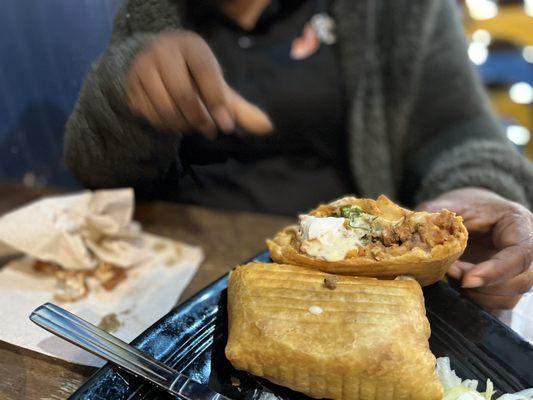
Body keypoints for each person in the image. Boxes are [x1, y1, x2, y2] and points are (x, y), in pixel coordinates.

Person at [64, 0, 533, 310]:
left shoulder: (397, 9)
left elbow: (459, 129)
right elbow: (96, 174)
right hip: (179, 280)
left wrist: (476, 188)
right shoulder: (152, 12)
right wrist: (126, 100)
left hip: (355, 284)